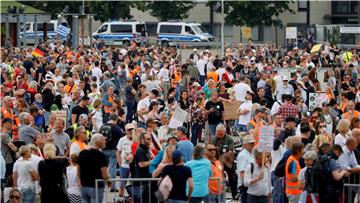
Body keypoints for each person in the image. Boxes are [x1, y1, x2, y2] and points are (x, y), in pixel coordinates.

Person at [78, 134, 110, 203]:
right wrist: (109, 181)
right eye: (103, 140)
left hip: (84, 186)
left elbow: (78, 171)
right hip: (96, 187)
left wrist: (80, 184)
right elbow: (104, 175)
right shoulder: (101, 155)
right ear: (99, 142)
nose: (105, 142)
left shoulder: (82, 153)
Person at [102, 113, 123, 187]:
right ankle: (112, 186)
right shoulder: (117, 128)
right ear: (116, 119)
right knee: (112, 168)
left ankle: (101, 184)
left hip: (104, 149)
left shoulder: (103, 126)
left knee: (103, 167)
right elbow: (121, 139)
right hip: (113, 150)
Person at [116, 123, 135, 198]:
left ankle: (133, 198)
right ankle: (120, 199)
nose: (130, 131)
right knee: (122, 185)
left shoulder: (137, 140)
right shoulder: (122, 140)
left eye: (132, 129)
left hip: (134, 167)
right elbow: (118, 153)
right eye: (129, 130)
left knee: (134, 185)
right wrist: (120, 164)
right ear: (125, 131)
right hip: (124, 166)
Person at [237, 135, 256, 203]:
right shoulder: (243, 155)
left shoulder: (252, 153)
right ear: (245, 145)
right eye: (250, 143)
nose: (253, 145)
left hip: (251, 182)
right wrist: (246, 184)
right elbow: (242, 172)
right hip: (245, 184)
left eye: (253, 143)